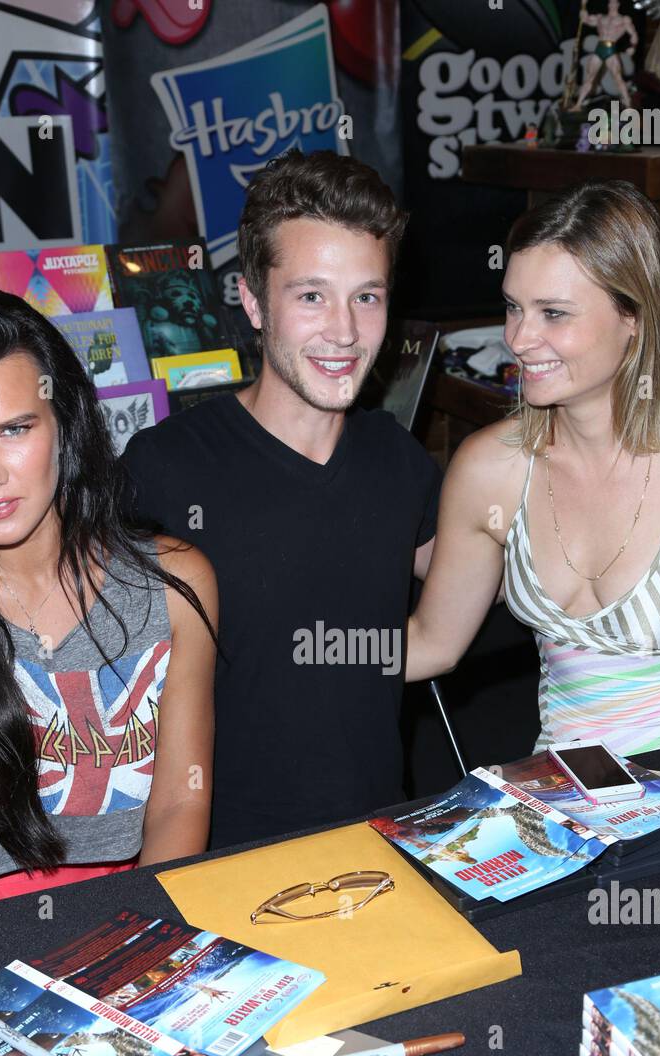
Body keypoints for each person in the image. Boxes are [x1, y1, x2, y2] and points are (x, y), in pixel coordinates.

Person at [123, 150, 440, 849]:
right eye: (310, 296)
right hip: (218, 860)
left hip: (381, 846)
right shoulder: (165, 468)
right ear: (251, 300)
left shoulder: (396, 459)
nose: (345, 331)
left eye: (367, 295)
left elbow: (506, 589)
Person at [406, 180, 660, 756]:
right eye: (513, 307)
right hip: (567, 793)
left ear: (635, 316)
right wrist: (319, 650)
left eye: (553, 313)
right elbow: (432, 642)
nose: (519, 339)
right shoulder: (489, 468)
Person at [0, 288, 217, 909]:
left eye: (13, 429)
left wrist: (138, 928)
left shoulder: (172, 585)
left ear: (66, 423)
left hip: (126, 906)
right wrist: (15, 952)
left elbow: (181, 799)